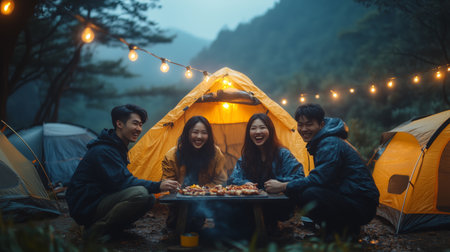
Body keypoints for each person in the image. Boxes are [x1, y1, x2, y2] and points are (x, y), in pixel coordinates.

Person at [264, 103, 380, 240]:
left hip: (362, 203)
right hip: (354, 198)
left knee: (308, 194)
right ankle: (339, 229)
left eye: (309, 124)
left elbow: (320, 179)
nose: (304, 129)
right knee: (304, 190)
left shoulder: (329, 143)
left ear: (321, 125)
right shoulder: (324, 141)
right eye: (300, 125)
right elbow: (325, 179)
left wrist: (283, 186)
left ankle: (342, 231)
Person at [66, 104, 180, 240]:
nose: (139, 129)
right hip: (86, 204)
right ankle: (94, 231)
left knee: (149, 198)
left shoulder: (117, 147)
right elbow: (123, 181)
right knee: (141, 194)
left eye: (141, 125)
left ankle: (115, 228)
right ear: (119, 123)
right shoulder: (104, 150)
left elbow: (117, 182)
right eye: (135, 124)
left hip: (99, 198)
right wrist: (158, 185)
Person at [228, 113, 304, 237]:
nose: (258, 132)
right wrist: (245, 183)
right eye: (253, 128)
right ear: (249, 133)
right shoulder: (247, 157)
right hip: (252, 206)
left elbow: (300, 178)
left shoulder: (283, 154)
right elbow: (233, 178)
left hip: (278, 207)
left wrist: (281, 185)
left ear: (270, 130)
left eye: (262, 127)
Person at [162, 116, 227, 232]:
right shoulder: (171, 156)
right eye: (195, 132)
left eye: (204, 133)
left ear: (209, 135)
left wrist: (202, 190)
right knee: (182, 226)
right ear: (187, 134)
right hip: (181, 200)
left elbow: (220, 180)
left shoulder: (215, 153)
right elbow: (169, 183)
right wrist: (182, 190)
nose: (199, 137)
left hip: (207, 199)